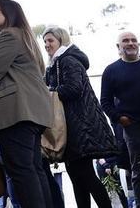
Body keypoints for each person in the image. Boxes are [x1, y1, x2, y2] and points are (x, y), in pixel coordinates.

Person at [0, 0, 53, 208]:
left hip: (16, 112)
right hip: (34, 113)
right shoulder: (27, 38)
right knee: (34, 169)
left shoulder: (8, 34)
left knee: (21, 171)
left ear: (10, 13)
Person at [42, 25, 118, 208]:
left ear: (61, 40)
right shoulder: (55, 64)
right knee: (77, 178)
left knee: (85, 176)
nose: (46, 44)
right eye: (44, 41)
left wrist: (49, 92)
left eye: (50, 40)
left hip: (81, 127)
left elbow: (74, 89)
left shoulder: (68, 60)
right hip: (72, 127)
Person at [100, 32, 140, 208]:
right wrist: (119, 118)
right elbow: (105, 101)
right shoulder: (111, 71)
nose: (130, 43)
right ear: (118, 47)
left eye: (134, 40)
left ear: (139, 44)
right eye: (125, 41)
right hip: (135, 130)